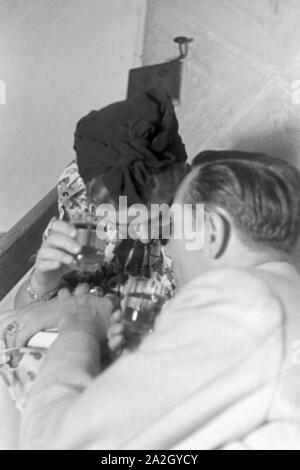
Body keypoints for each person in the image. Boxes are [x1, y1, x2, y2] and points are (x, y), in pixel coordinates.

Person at [9, 150, 300, 450]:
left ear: (213, 231)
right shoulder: (278, 297)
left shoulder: (242, 307)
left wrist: (78, 326)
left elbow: (53, 442)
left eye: (174, 226)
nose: (170, 248)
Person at [15, 87, 188, 308]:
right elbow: (23, 310)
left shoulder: (200, 210)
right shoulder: (79, 199)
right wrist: (43, 281)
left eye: (150, 219)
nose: (142, 236)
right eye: (119, 222)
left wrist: (178, 242)